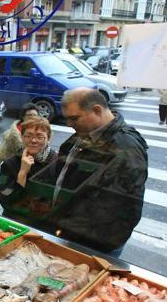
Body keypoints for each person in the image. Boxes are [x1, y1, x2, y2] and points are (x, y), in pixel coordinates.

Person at [48, 88, 148, 255]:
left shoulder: (125, 148)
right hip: (70, 231)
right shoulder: (87, 132)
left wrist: (69, 232)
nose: (69, 124)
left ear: (96, 110)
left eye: (74, 118)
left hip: (91, 243)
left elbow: (117, 209)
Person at [0, 116, 58, 220]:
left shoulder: (57, 162)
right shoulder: (10, 164)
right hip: (16, 220)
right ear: (22, 137)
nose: (33, 140)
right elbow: (5, 198)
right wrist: (23, 173)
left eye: (40, 137)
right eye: (28, 136)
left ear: (49, 139)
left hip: (45, 222)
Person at [0, 103, 40, 178]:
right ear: (23, 117)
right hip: (13, 171)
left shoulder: (40, 131)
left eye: (35, 115)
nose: (33, 118)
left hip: (32, 172)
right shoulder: (12, 135)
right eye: (29, 115)